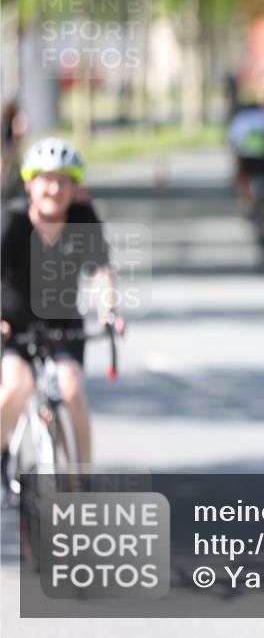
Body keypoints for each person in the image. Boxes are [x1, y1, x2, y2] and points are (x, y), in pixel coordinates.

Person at [1, 138, 125, 498]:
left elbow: (102, 271)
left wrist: (109, 312)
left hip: (62, 324)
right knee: (15, 386)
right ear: (30, 183)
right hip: (15, 326)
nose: (54, 188)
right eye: (45, 179)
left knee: (72, 390)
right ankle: (3, 453)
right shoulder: (10, 221)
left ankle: (83, 483)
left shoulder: (83, 218)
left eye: (64, 180)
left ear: (75, 186)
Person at [227, 89, 264, 267]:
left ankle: (248, 205)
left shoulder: (239, 121)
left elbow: (234, 150)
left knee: (241, 180)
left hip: (247, 161)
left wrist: (235, 175)